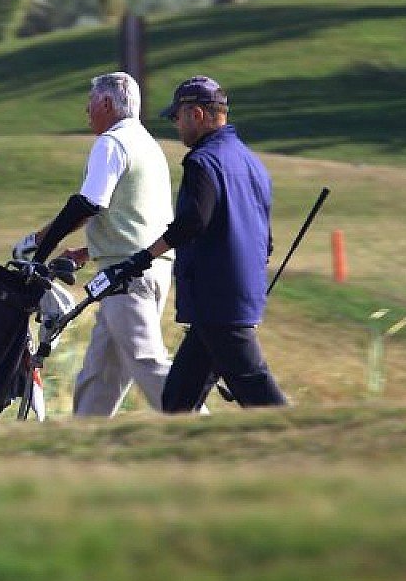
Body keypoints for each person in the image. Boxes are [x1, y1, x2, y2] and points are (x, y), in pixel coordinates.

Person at [97, 75, 288, 412]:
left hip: (217, 301)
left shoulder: (203, 162)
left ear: (196, 114)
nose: (176, 125)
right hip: (233, 297)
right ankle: (189, 460)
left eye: (177, 117)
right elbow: (265, 239)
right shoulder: (252, 163)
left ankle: (310, 441)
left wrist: (141, 258)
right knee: (177, 402)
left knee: (258, 394)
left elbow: (192, 222)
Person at [17, 72, 175, 417]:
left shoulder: (113, 143)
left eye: (90, 102)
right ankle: (84, 447)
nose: (86, 110)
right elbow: (135, 217)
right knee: (100, 377)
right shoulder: (148, 145)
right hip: (145, 270)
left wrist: (37, 247)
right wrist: (88, 252)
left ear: (106, 103)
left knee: (147, 363)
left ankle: (200, 427)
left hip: (128, 277)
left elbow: (87, 205)